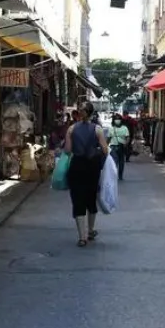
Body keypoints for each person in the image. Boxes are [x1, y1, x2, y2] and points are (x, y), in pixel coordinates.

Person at [64, 102, 110, 247]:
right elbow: (105, 150)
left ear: (80, 113)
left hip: (76, 166)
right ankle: (90, 230)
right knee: (91, 198)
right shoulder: (98, 130)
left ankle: (82, 237)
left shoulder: (71, 129)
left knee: (78, 199)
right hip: (92, 167)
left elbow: (67, 150)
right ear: (91, 114)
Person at [108, 114, 131, 181]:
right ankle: (114, 175)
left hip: (122, 146)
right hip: (113, 147)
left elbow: (127, 137)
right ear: (113, 120)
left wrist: (126, 143)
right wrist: (105, 147)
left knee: (121, 162)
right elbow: (108, 138)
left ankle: (120, 175)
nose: (117, 120)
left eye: (118, 119)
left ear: (121, 120)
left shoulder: (125, 128)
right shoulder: (111, 128)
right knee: (114, 162)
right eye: (116, 119)